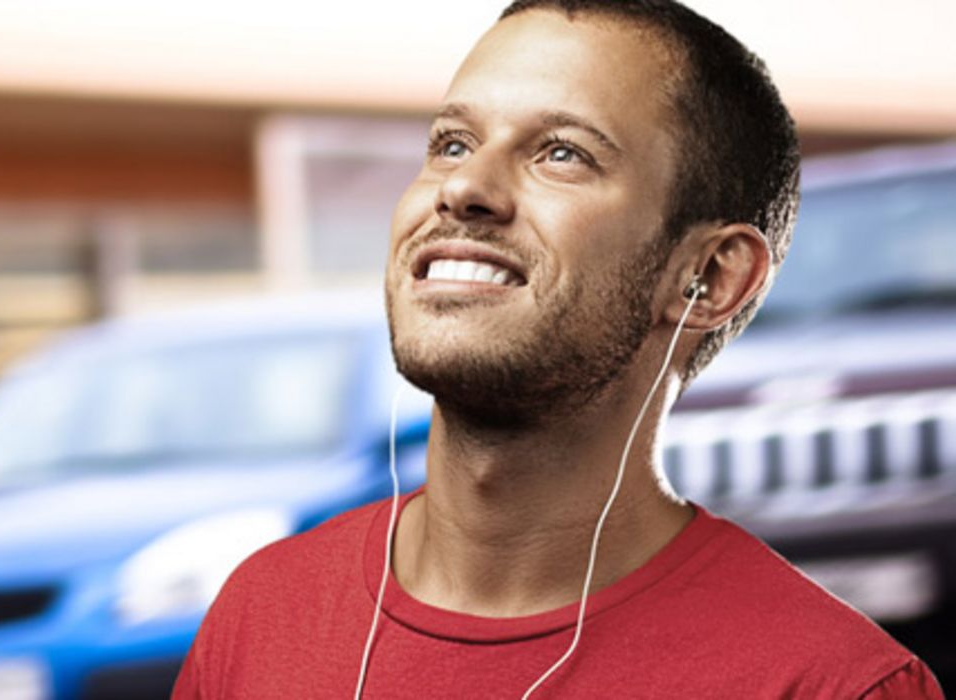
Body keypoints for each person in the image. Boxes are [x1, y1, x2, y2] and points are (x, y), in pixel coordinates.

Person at [173, 1, 945, 698]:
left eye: (561, 154)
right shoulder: (259, 611)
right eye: (450, 141)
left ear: (706, 277)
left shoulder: (829, 685)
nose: (464, 186)